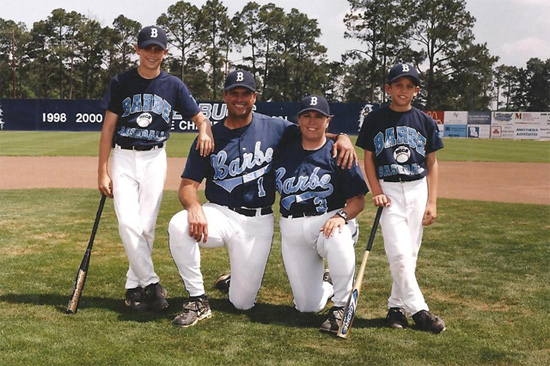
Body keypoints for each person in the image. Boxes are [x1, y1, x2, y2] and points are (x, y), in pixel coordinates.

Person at [168, 70, 357, 327]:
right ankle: (198, 300)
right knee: (179, 224)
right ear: (224, 96)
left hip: (258, 220)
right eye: (234, 92)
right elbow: (187, 186)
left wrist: (343, 137)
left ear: (254, 97)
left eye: (245, 93)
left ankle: (240, 281)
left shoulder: (274, 127)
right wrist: (193, 206)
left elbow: (312, 131)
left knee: (242, 303)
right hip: (220, 213)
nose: (239, 98)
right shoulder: (211, 136)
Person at [97, 25, 213, 312]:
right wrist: (102, 169)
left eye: (158, 49)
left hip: (154, 157)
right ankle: (151, 283)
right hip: (124, 156)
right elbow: (108, 128)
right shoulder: (121, 82)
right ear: (137, 50)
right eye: (147, 48)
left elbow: (200, 117)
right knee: (127, 222)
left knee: (147, 227)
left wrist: (205, 129)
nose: (152, 53)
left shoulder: (173, 85)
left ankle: (133, 288)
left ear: (165, 53)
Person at [355, 63, 446, 334]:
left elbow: (432, 163)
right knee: (398, 252)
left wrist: (432, 202)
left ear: (416, 91)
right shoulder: (375, 119)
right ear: (388, 89)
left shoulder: (424, 121)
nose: (403, 90)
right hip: (389, 190)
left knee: (411, 253)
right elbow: (368, 159)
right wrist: (377, 191)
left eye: (409, 86)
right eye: (398, 85)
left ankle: (395, 308)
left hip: (418, 188)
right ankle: (419, 310)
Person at [274, 95, 369, 334]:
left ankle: (340, 305)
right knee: (307, 307)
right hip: (292, 228)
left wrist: (342, 217)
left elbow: (358, 201)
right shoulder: (284, 148)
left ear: (328, 121)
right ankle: (327, 285)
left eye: (319, 116)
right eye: (307, 115)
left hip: (328, 219)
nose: (312, 121)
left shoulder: (339, 153)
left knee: (338, 235)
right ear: (299, 119)